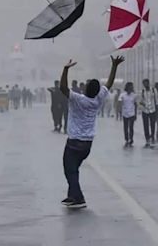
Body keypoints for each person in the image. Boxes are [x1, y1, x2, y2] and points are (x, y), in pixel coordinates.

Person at [59, 56, 124, 209]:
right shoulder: (98, 99)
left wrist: (65, 69)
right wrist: (114, 66)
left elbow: (63, 88)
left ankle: (79, 197)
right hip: (87, 144)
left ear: (86, 89)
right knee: (74, 169)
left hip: (74, 142)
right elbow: (109, 83)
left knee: (69, 170)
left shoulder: (78, 99)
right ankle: (72, 195)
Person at [140, 79, 158, 147]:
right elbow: (140, 101)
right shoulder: (142, 91)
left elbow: (157, 100)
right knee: (145, 125)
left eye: (146, 83)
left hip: (152, 110)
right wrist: (142, 106)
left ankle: (152, 135)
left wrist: (157, 110)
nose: (145, 85)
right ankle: (147, 137)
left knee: (152, 124)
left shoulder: (154, 90)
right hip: (145, 110)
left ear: (148, 83)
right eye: (144, 84)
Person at [120, 82, 137, 147]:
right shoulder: (122, 95)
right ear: (127, 88)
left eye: (131, 87)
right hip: (125, 113)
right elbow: (120, 103)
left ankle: (131, 138)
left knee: (131, 127)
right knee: (125, 127)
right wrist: (120, 112)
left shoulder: (134, 95)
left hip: (132, 113)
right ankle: (126, 138)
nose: (131, 88)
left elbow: (135, 105)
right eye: (130, 87)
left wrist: (135, 114)